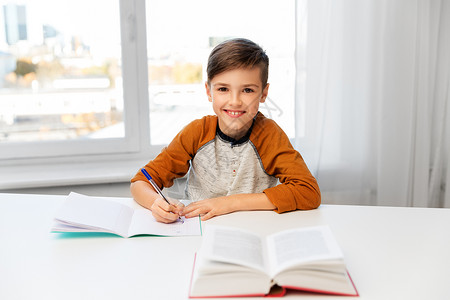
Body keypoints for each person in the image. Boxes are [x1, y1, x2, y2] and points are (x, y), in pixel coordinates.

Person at [130, 38, 320, 223]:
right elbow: (141, 182)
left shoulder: (269, 135)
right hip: (199, 229)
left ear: (264, 93)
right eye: (223, 89)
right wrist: (156, 202)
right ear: (208, 91)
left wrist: (229, 203)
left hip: (253, 229)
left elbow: (308, 192)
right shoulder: (196, 132)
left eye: (247, 90)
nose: (235, 101)